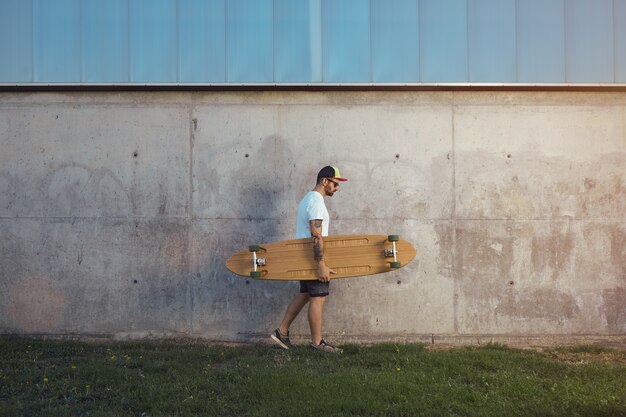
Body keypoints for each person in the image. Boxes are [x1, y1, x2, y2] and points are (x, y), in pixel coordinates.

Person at [271, 166, 347, 353]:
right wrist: (321, 265)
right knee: (318, 298)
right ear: (324, 181)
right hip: (313, 259)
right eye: (335, 184)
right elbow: (316, 236)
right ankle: (317, 343)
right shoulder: (316, 202)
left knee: (306, 294)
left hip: (305, 258)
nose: (337, 188)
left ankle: (281, 332)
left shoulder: (309, 199)